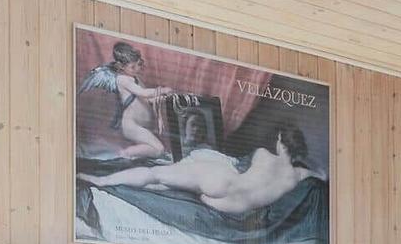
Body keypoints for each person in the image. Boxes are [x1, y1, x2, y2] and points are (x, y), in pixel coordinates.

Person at [80, 126, 319, 215]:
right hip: (233, 208)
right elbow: (322, 174)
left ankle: (103, 181)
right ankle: (113, 182)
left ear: (280, 141)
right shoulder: (299, 176)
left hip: (222, 183)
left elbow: (237, 165)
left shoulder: (264, 154)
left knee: (158, 175)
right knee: (164, 185)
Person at [77, 41, 172, 160]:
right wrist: (162, 90)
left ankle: (132, 156)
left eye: (138, 64)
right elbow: (143, 92)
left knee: (153, 149)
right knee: (159, 149)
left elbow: (147, 99)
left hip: (140, 125)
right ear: (121, 66)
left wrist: (162, 98)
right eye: (132, 67)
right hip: (131, 126)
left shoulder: (135, 79)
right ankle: (124, 154)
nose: (137, 69)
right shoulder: (123, 80)